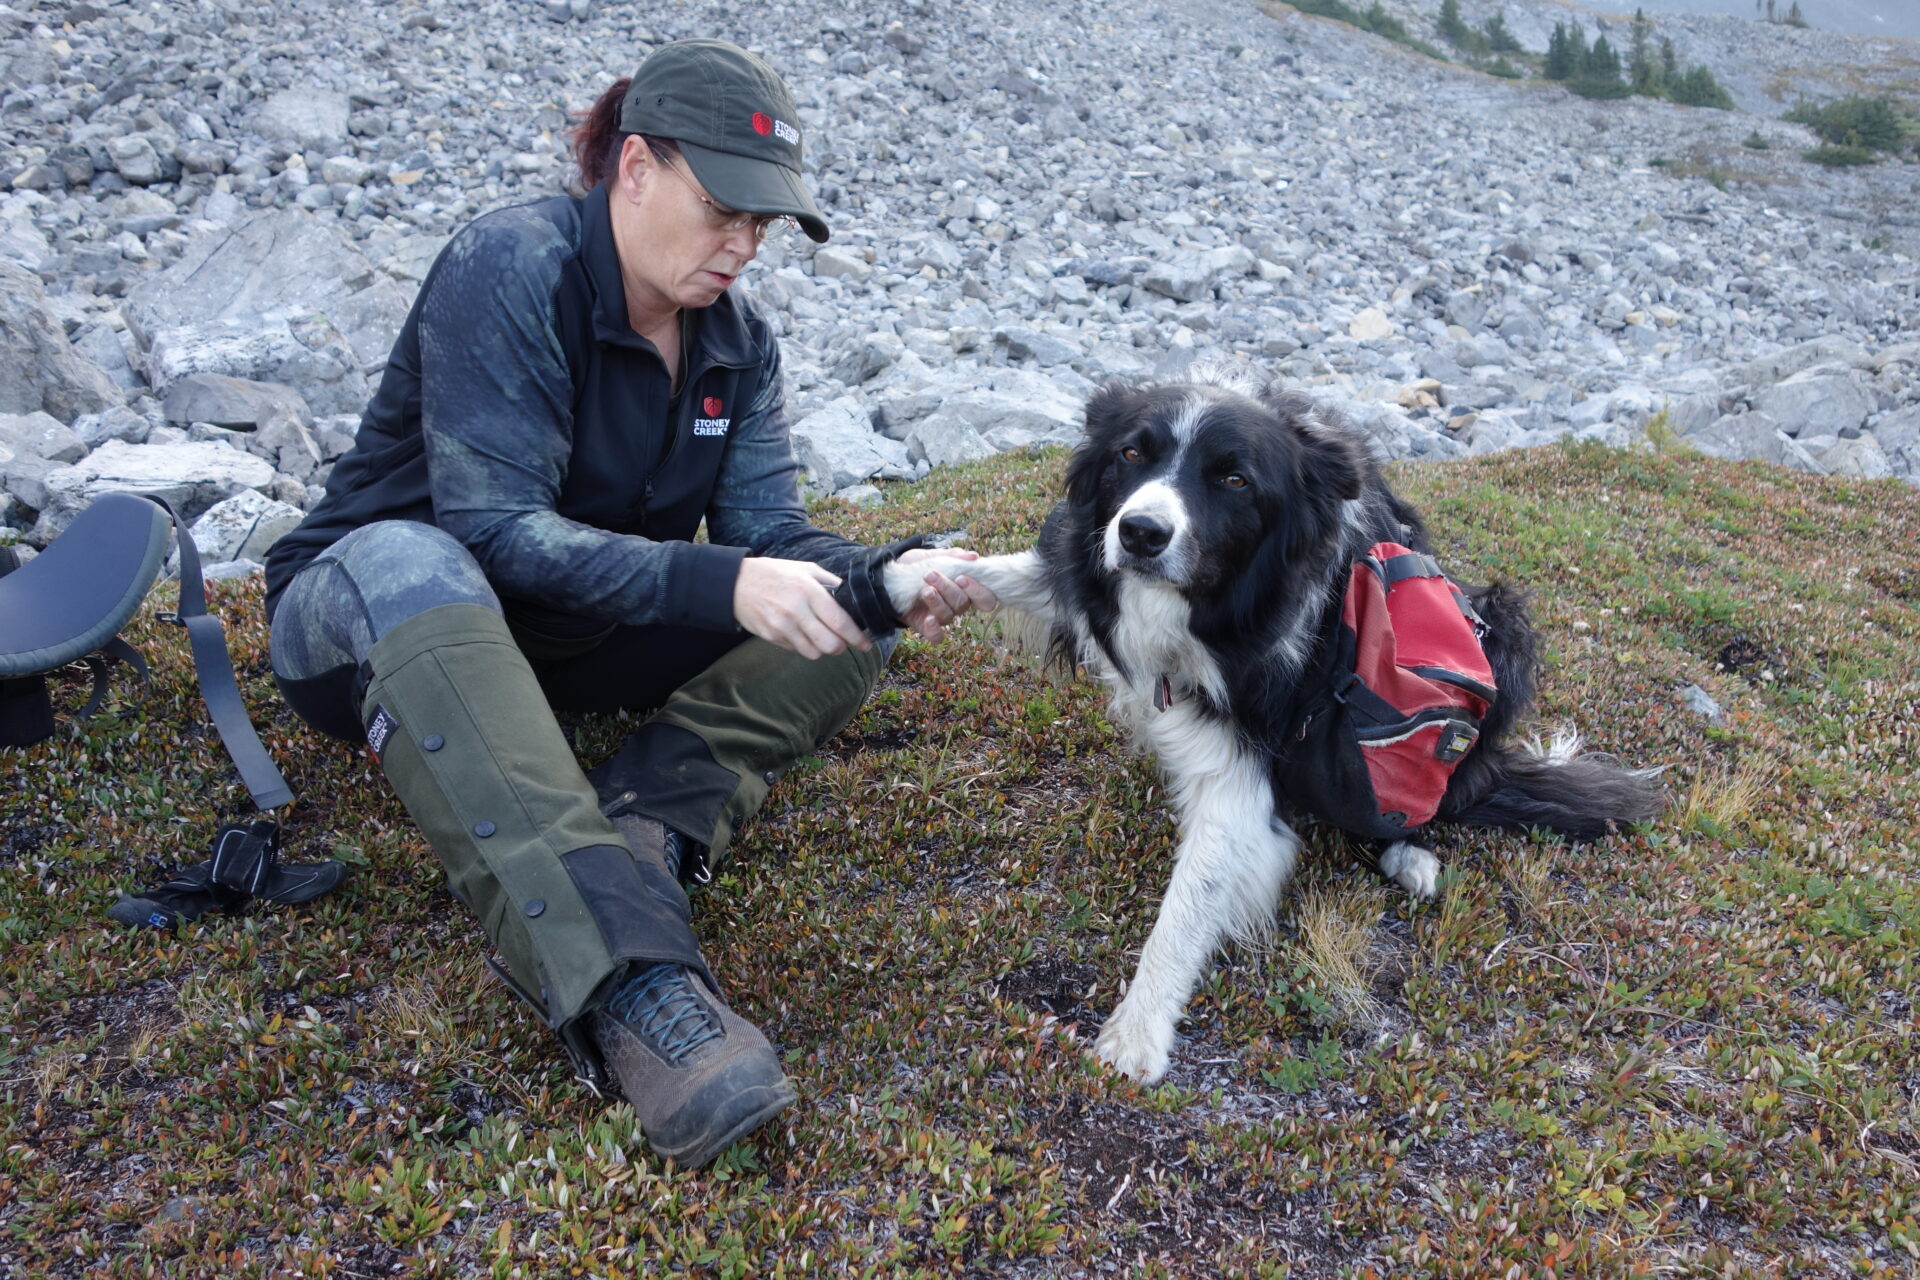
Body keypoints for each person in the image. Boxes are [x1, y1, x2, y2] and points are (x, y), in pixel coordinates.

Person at [261, 39, 995, 1169]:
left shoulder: (739, 344)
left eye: (765, 225)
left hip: (567, 639)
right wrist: (725, 580)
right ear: (637, 167)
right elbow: (491, 528)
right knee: (411, 552)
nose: (744, 246)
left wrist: (888, 576)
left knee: (839, 621)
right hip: (380, 622)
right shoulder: (512, 265)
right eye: (725, 211)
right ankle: (634, 984)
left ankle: (643, 826)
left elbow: (771, 537)